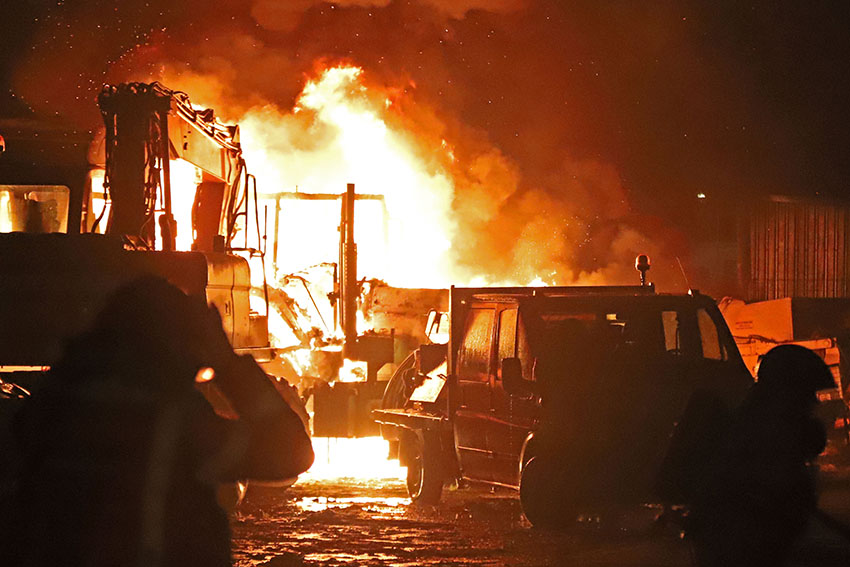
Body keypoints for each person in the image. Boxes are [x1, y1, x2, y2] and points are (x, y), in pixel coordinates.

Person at [4, 277, 314, 567]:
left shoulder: (46, 412)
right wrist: (226, 362)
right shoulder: (175, 425)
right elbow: (291, 453)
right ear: (172, 346)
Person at [689, 344, 834, 567]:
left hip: (738, 538)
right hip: (739, 542)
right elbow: (776, 492)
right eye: (808, 393)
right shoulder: (767, 430)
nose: (814, 402)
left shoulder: (757, 418)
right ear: (788, 390)